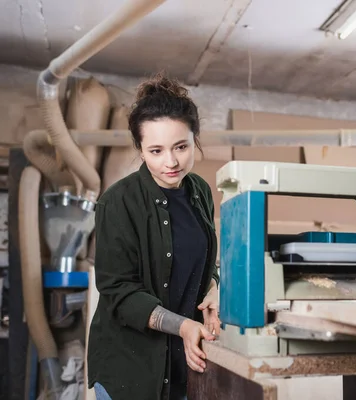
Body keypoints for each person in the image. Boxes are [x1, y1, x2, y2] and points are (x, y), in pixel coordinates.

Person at [87, 73, 221, 400]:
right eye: (156, 150)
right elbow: (119, 291)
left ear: (194, 140)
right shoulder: (117, 202)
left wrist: (214, 288)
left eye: (180, 147)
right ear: (141, 149)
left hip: (184, 363)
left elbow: (204, 260)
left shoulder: (200, 191)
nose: (171, 162)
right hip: (131, 370)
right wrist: (183, 326)